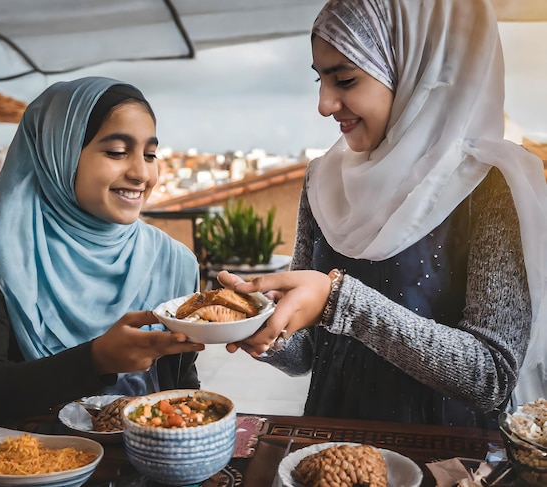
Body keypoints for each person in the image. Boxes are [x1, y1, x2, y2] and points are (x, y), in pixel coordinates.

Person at [218, 0, 547, 429]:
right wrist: (252, 319)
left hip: (444, 458)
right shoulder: (323, 180)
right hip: (329, 443)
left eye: (346, 79)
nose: (324, 104)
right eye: (321, 79)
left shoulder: (489, 186)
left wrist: (340, 300)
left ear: (419, 70)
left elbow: (491, 377)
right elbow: (307, 353)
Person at [0, 77, 205, 435]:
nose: (141, 173)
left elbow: (181, 384)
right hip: (29, 466)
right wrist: (96, 359)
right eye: (117, 151)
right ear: (59, 153)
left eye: (150, 154)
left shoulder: (173, 261)